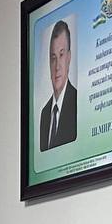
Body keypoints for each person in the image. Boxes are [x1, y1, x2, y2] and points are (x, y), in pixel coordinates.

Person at [39, 20, 78, 151]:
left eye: (61, 55)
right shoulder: (44, 114)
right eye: (53, 57)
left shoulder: (77, 103)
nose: (57, 66)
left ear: (69, 58)